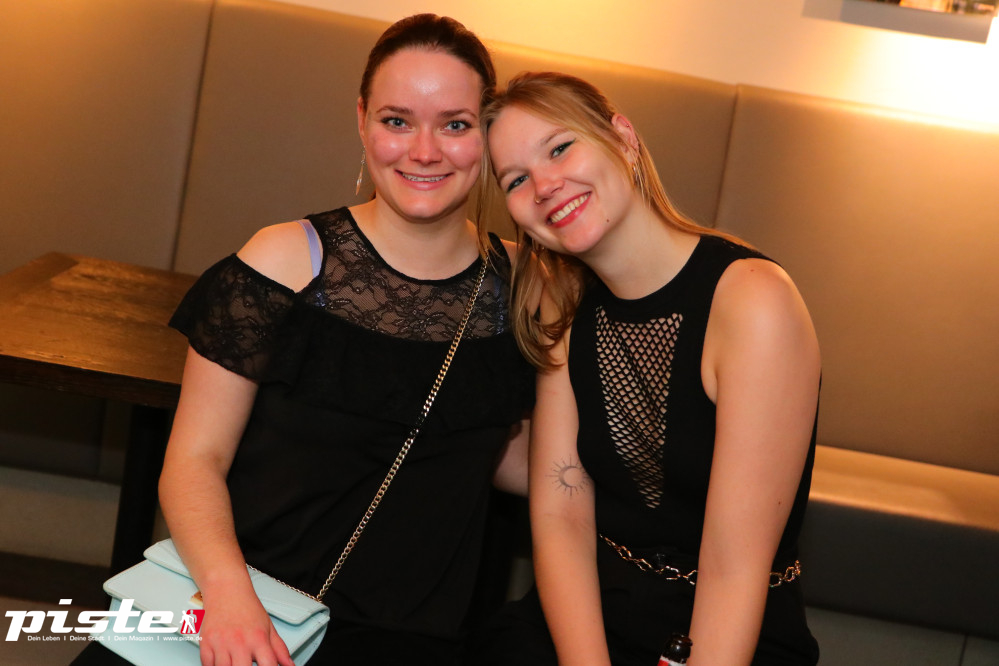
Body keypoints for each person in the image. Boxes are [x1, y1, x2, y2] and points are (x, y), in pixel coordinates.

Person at [72, 14, 534, 666]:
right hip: (242, 602)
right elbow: (194, 460)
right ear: (362, 120)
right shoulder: (283, 261)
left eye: (454, 125)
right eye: (397, 120)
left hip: (405, 640)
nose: (424, 151)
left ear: (488, 132)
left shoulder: (526, 286)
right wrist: (229, 599)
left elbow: (510, 457)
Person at [471, 71, 821, 665]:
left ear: (624, 139)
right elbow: (561, 513)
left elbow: (733, 565)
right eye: (517, 179)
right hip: (590, 618)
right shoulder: (565, 302)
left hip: (726, 630)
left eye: (560, 148)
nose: (546, 185)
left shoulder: (752, 300)